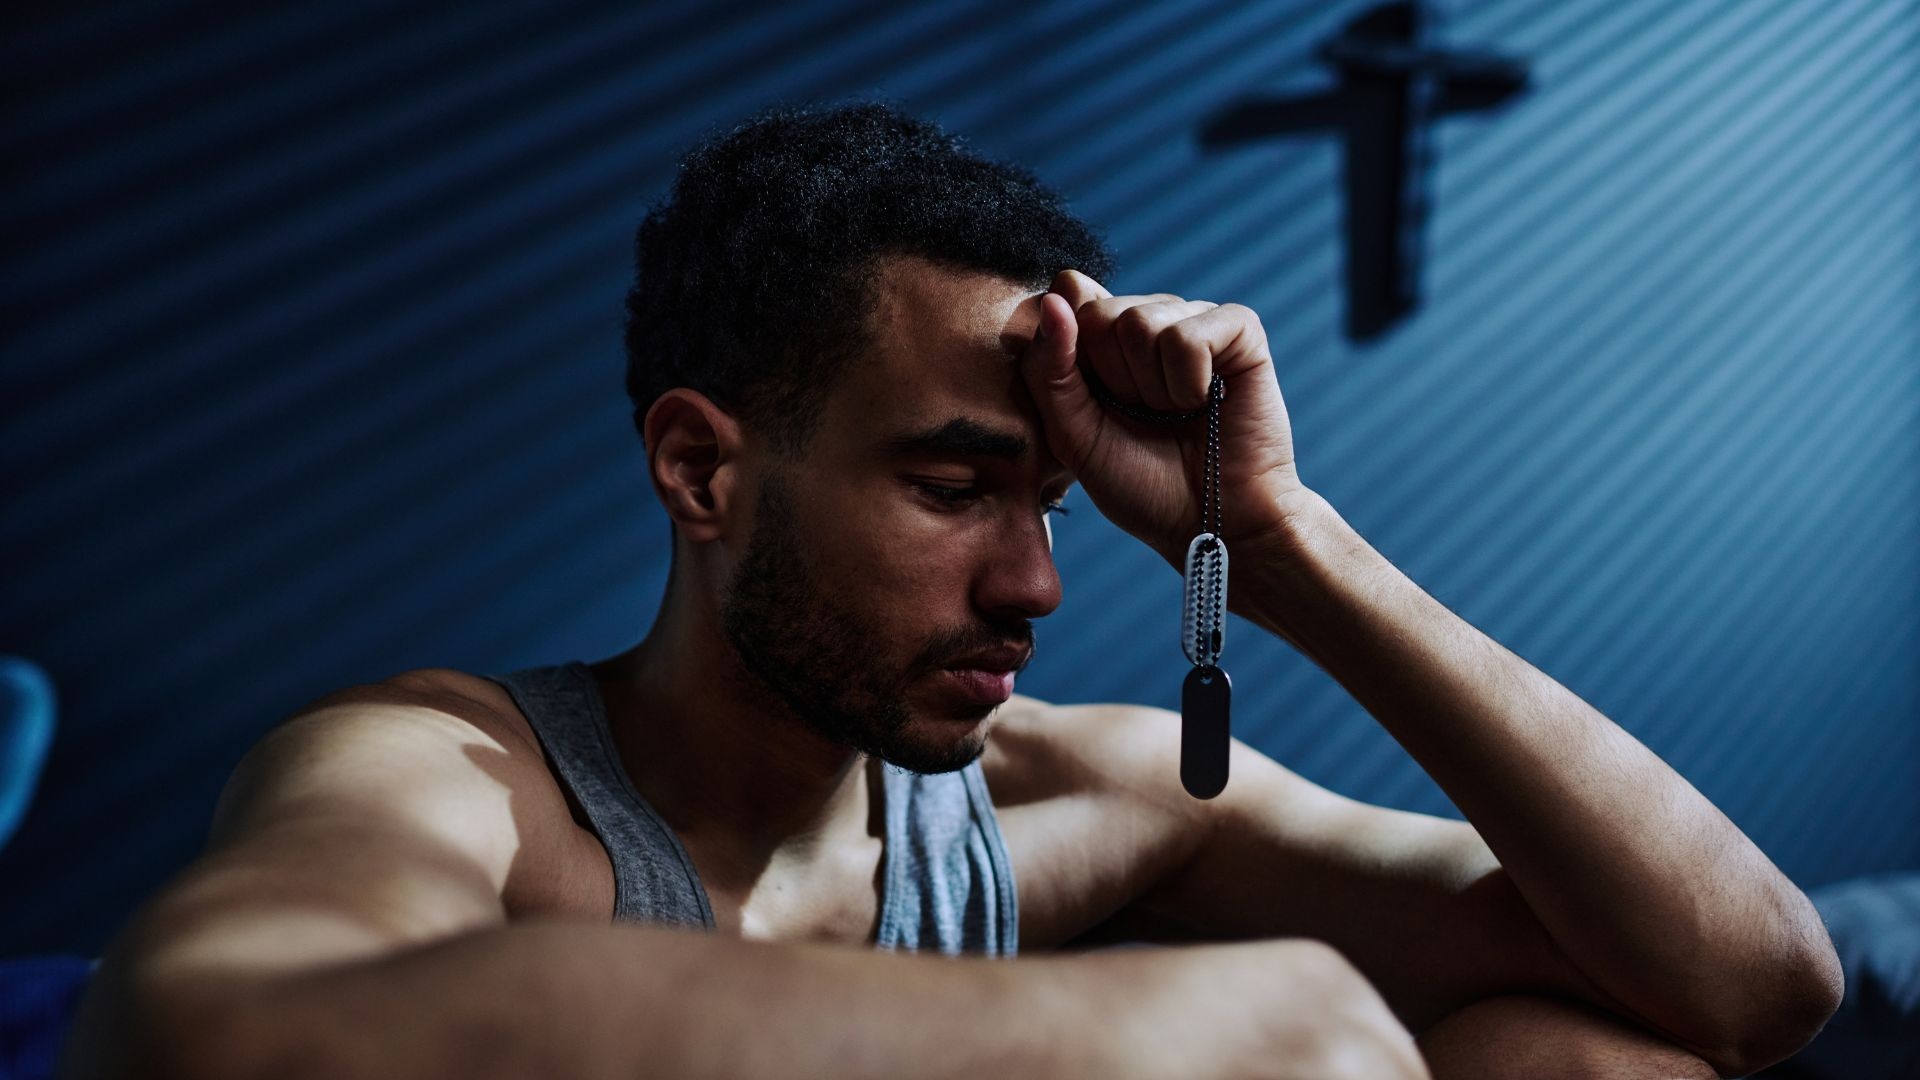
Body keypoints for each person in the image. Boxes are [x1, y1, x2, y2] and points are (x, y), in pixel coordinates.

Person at [62, 103, 1841, 1080]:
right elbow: (192, 1026)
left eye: (1056, 498)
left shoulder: (1073, 803)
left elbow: (1755, 983)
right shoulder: (453, 775)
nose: (1041, 583)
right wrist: (1164, 1044)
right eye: (952, 486)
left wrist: (1275, 542)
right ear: (704, 471)